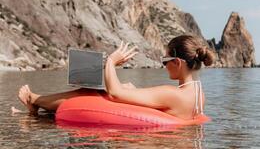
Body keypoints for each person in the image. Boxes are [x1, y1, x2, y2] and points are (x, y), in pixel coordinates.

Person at [18, 35, 215, 120]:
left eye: (165, 60)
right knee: (125, 88)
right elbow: (164, 104)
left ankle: (33, 99)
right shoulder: (199, 94)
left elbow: (114, 94)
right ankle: (39, 112)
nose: (163, 66)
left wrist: (111, 61)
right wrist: (133, 91)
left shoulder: (173, 94)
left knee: (87, 93)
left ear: (178, 62)